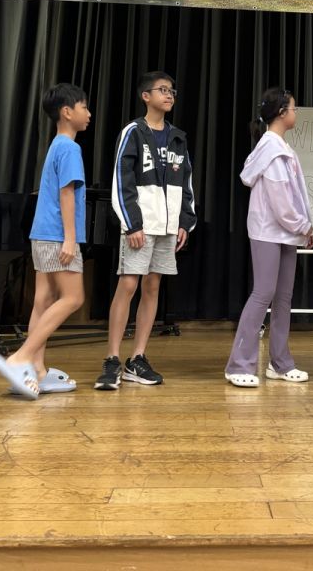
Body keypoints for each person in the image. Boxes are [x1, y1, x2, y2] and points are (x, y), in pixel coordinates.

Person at [96, 72, 196, 391]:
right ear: (145, 96)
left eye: (172, 91)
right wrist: (133, 223)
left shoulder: (177, 137)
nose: (169, 95)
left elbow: (187, 183)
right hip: (141, 225)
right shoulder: (134, 132)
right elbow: (121, 179)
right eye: (162, 90)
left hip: (167, 227)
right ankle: (112, 358)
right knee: (128, 284)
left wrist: (185, 222)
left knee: (152, 287)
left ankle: (137, 358)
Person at [0, 84, 90, 399]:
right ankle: (21, 358)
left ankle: (37, 370)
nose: (89, 113)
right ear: (67, 112)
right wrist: (70, 238)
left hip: (42, 233)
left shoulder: (56, 145)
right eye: (84, 107)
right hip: (57, 235)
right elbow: (66, 193)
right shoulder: (70, 148)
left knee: (44, 300)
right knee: (73, 298)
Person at [225, 88, 313, 387]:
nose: (296, 113)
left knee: (283, 297)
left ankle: (280, 362)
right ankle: (239, 365)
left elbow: (293, 197)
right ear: (282, 113)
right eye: (294, 108)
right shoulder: (271, 150)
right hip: (268, 230)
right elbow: (281, 201)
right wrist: (303, 226)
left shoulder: (281, 147)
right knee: (263, 293)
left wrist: (303, 228)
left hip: (287, 232)